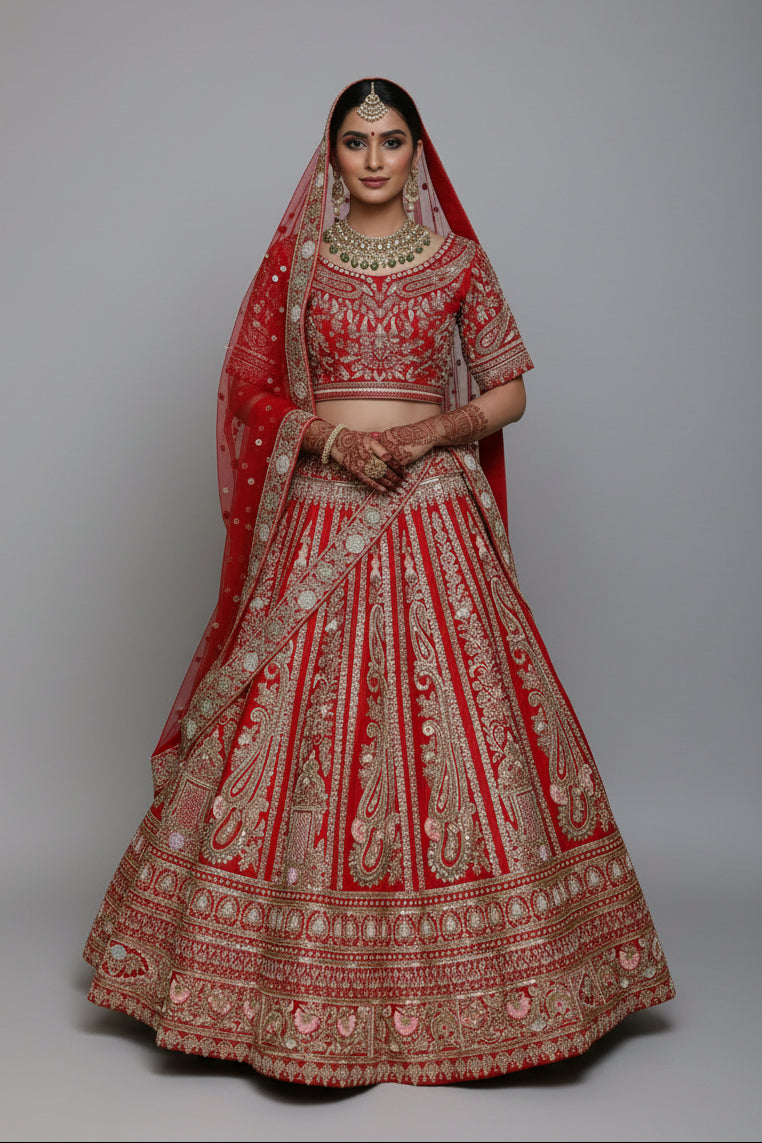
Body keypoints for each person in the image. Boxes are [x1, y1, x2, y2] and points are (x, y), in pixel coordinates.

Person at [84, 78, 674, 1087]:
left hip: (430, 504)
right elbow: (250, 391)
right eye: (354, 141)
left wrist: (422, 435)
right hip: (322, 502)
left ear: (415, 152)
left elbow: (509, 391)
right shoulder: (301, 267)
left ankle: (495, 985)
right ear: (331, 151)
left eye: (390, 141)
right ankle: (273, 982)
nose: (371, 159)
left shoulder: (458, 262)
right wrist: (325, 439)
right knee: (295, 726)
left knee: (457, 718)